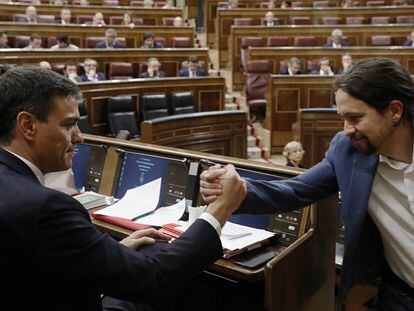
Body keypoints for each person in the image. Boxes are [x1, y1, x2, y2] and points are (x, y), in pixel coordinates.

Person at [0, 66, 244, 310]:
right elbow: (154, 279)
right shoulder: (48, 209)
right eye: (68, 125)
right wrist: (220, 210)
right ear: (28, 125)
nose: (79, 137)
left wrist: (113, 252)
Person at [200, 57, 414, 310]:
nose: (346, 129)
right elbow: (293, 190)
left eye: (355, 118)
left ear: (395, 111)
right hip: (401, 297)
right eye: (342, 118)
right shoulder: (348, 151)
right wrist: (237, 190)